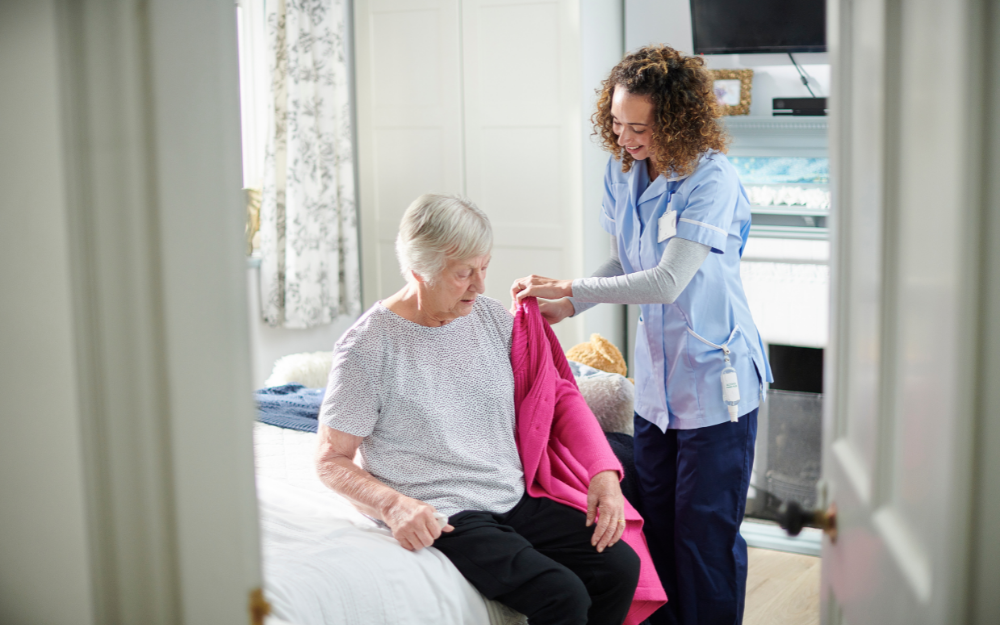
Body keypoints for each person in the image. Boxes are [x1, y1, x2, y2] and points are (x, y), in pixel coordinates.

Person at [510, 45, 773, 625]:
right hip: (657, 388)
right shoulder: (622, 170)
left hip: (715, 383)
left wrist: (570, 286)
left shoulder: (711, 178)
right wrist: (566, 303)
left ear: (676, 121)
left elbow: (667, 281)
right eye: (617, 124)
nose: (625, 139)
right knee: (656, 526)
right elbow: (624, 260)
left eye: (640, 128)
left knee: (703, 539)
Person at [315, 193, 643, 625]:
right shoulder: (369, 346)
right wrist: (393, 506)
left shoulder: (490, 319)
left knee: (619, 568)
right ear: (419, 271)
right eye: (463, 273)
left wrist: (603, 473)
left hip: (511, 495)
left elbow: (558, 394)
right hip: (446, 512)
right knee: (561, 595)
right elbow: (331, 460)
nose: (480, 285)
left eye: (484, 267)